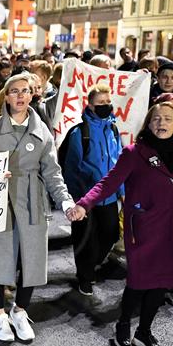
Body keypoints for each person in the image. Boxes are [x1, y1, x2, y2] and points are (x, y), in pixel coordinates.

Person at [71, 103, 173, 346]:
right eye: (156, 119)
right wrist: (84, 204)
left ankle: (144, 332)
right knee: (140, 281)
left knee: (161, 283)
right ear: (148, 124)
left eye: (167, 119)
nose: (161, 123)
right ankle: (123, 325)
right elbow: (108, 183)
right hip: (142, 229)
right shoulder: (134, 153)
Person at [0, 73, 74, 342]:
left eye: (25, 91)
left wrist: (65, 200)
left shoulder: (42, 131)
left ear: (33, 95)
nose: (20, 96)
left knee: (32, 260)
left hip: (33, 200)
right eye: (14, 91)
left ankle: (19, 311)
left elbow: (53, 171)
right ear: (6, 96)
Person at [61, 84, 123, 296]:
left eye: (108, 102)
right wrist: (78, 200)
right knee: (85, 239)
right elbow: (71, 168)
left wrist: (121, 190)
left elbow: (120, 163)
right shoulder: (80, 132)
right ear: (90, 105)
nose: (106, 106)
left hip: (109, 196)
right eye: (100, 103)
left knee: (111, 234)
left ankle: (92, 263)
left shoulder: (114, 129)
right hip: (86, 198)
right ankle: (84, 276)